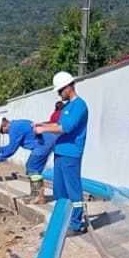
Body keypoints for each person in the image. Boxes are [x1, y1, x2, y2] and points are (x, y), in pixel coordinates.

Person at [35, 71, 88, 233]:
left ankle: (75, 224)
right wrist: (41, 125)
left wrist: (42, 128)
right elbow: (57, 124)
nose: (59, 94)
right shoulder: (67, 107)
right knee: (59, 190)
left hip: (71, 152)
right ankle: (60, 223)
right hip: (61, 151)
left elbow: (66, 128)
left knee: (72, 189)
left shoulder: (79, 106)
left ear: (69, 87)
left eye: (60, 90)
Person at [0, 109, 58, 203]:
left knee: (33, 168)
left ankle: (39, 196)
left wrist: (0, 158)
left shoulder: (14, 129)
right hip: (44, 143)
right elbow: (12, 145)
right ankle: (35, 195)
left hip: (44, 144)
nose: (4, 133)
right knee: (30, 167)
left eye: (2, 132)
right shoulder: (16, 125)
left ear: (4, 125)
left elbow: (12, 149)